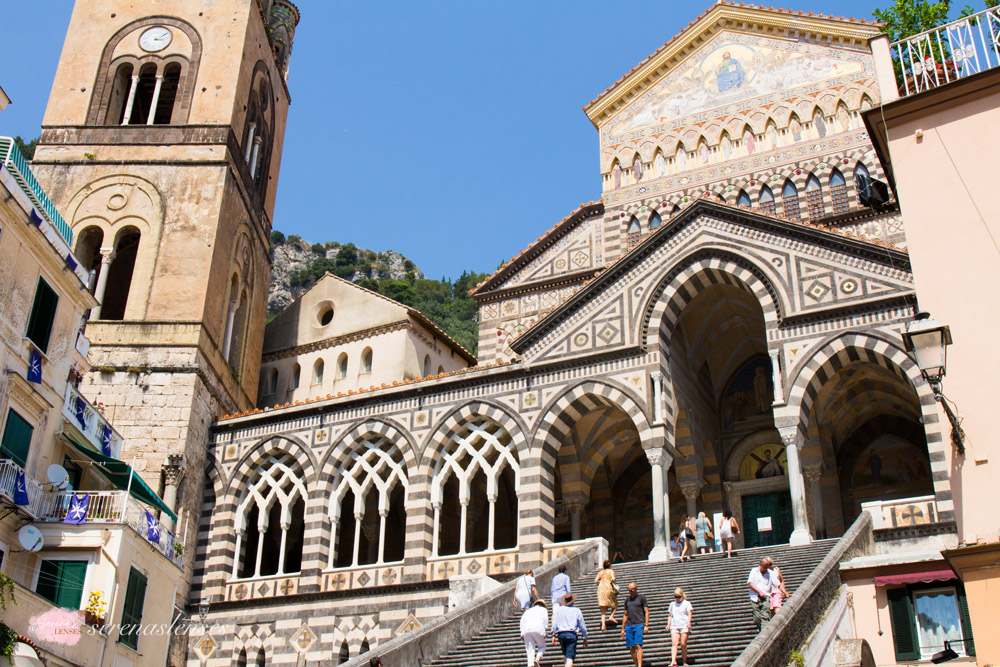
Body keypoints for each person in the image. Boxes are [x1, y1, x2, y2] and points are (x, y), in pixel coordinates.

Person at [551, 593, 587, 667]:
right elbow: (582, 625)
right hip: (571, 634)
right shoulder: (576, 610)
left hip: (561, 634)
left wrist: (553, 634)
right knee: (570, 657)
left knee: (566, 654)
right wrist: (584, 637)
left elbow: (555, 623)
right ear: (572, 601)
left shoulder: (559, 610)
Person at [747, 557, 782, 630]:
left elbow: (778, 584)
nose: (765, 569)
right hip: (755, 596)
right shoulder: (754, 571)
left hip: (766, 597)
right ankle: (761, 631)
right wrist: (759, 591)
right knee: (757, 618)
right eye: (764, 567)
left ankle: (764, 631)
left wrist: (785, 592)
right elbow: (750, 583)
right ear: (760, 564)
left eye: (766, 568)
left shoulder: (770, 572)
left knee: (765, 615)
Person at [620, 582, 649, 667]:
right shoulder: (627, 600)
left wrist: (646, 625)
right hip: (629, 625)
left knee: (638, 645)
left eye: (632, 590)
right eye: (629, 590)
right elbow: (625, 614)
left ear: (636, 589)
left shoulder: (641, 598)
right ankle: (636, 664)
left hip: (639, 624)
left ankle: (639, 665)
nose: (630, 592)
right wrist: (622, 629)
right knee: (631, 647)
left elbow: (646, 612)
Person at [665, 587, 693, 667]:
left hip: (684, 625)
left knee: (683, 644)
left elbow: (689, 613)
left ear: (682, 595)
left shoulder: (687, 603)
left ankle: (684, 661)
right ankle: (673, 661)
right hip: (675, 625)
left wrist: (688, 622)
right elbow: (670, 615)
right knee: (674, 643)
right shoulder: (672, 604)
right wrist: (668, 624)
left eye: (678, 597)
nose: (677, 599)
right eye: (675, 597)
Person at [520, 599, 549, 667]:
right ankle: (537, 659)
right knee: (542, 646)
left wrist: (522, 632)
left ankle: (531, 665)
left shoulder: (528, 611)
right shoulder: (543, 610)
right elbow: (545, 621)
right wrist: (545, 629)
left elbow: (522, 621)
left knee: (530, 649)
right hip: (538, 628)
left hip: (526, 629)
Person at [594, 559, 618, 630]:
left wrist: (600, 584)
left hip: (601, 589)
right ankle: (611, 616)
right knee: (615, 604)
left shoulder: (601, 572)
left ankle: (603, 625)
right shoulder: (611, 571)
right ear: (610, 565)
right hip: (608, 587)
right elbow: (613, 579)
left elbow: (595, 581)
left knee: (603, 609)